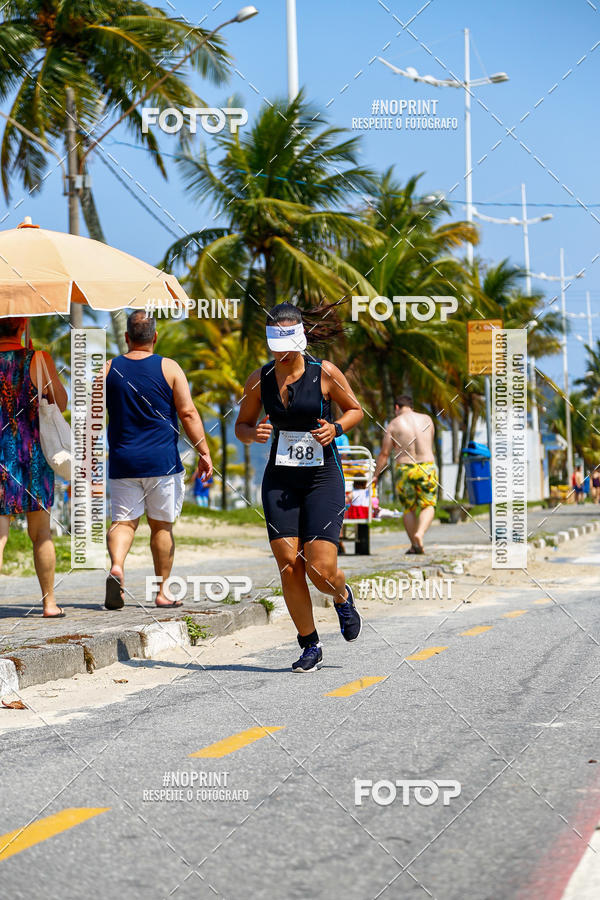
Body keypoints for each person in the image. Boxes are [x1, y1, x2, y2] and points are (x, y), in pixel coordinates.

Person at [235, 303, 363, 672]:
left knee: (319, 569)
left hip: (322, 477)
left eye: (288, 340)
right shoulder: (259, 379)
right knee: (289, 564)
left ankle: (341, 596)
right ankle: (310, 644)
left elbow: (355, 409)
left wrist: (335, 428)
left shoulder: (325, 373)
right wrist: (252, 433)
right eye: (275, 341)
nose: (282, 350)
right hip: (280, 478)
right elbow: (242, 425)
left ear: (301, 336)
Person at [104, 310, 212, 609]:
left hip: (123, 460)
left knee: (123, 523)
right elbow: (188, 413)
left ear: (127, 337)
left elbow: (93, 415)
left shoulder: (108, 368)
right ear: (154, 337)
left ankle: (117, 566)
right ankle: (162, 592)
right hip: (162, 461)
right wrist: (203, 451)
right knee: (161, 527)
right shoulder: (170, 368)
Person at [0, 316, 68, 617]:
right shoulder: (37, 359)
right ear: (23, 323)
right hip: (32, 457)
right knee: (41, 534)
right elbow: (61, 402)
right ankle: (49, 603)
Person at [373, 395, 437, 554]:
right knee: (428, 505)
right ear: (411, 406)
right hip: (426, 467)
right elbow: (431, 441)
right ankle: (419, 535)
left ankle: (415, 545)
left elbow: (384, 454)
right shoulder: (427, 420)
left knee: (409, 508)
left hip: (405, 468)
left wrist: (375, 475)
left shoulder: (394, 424)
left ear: (396, 408)